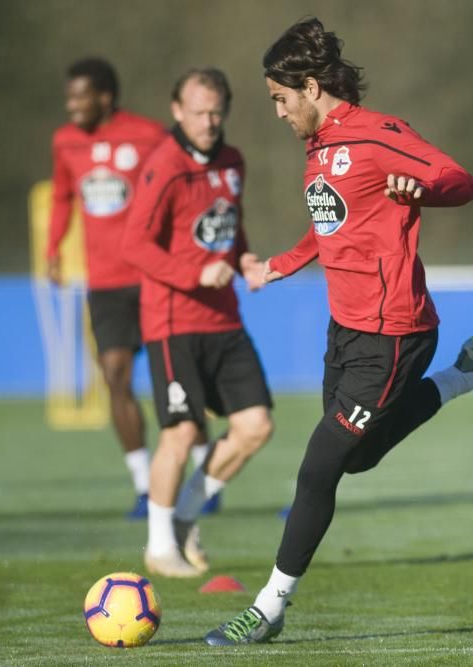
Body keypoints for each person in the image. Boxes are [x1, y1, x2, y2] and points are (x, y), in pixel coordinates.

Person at [205, 19, 473, 645]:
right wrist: (279, 264)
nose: (276, 112)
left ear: (311, 86)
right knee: (358, 459)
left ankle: (267, 608)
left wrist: (422, 186)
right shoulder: (319, 149)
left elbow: (462, 180)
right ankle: (471, 373)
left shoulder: (380, 135)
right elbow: (329, 226)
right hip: (347, 329)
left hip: (394, 333)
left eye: (279, 98)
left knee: (318, 468)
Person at [48, 58, 219, 520]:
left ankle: (205, 471)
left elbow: (184, 184)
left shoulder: (148, 135)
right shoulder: (65, 142)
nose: (71, 105)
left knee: (179, 382)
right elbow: (63, 195)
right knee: (115, 375)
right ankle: (145, 486)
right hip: (104, 285)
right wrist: (53, 248)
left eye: (79, 95)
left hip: (153, 278)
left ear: (104, 97)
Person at [122, 67, 275, 578]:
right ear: (176, 111)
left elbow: (231, 223)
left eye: (216, 112)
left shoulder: (233, 162)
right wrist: (193, 271)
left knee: (256, 427)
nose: (208, 122)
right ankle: (160, 546)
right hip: (172, 323)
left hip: (224, 319)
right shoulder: (163, 166)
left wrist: (246, 259)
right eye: (198, 112)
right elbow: (134, 245)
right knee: (183, 432)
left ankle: (185, 516)